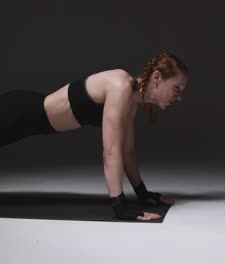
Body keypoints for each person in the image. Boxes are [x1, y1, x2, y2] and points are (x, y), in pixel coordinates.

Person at [0, 52, 188, 221]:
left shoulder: (130, 100)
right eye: (177, 88)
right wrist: (120, 206)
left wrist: (142, 193)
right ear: (157, 78)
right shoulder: (120, 86)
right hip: (19, 114)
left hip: (27, 119)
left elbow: (127, 151)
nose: (179, 97)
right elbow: (111, 153)